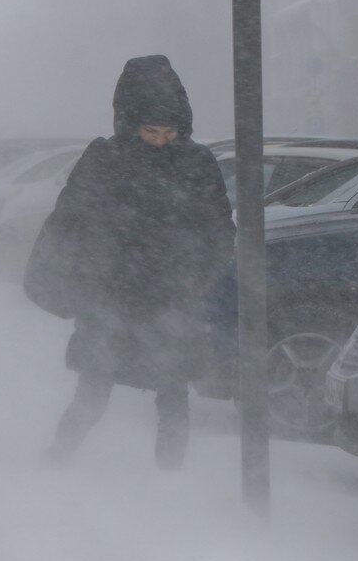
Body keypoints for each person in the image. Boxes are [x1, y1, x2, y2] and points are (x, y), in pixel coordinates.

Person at [38, 55, 235, 469]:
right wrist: (72, 278)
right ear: (130, 125)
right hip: (110, 297)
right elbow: (68, 220)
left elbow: (219, 229)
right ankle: (55, 461)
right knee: (93, 392)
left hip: (172, 300)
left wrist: (196, 279)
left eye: (169, 131)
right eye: (150, 131)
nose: (161, 140)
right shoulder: (104, 159)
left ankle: (168, 483)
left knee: (173, 396)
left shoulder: (196, 163)